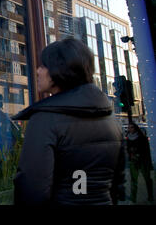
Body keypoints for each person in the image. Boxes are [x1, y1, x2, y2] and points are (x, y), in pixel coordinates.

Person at [12, 38, 126, 205]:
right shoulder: (112, 121)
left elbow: (32, 191)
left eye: (43, 66)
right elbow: (118, 185)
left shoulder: (45, 120)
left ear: (59, 70)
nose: (37, 71)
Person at [126, 122, 154, 203]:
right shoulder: (128, 138)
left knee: (147, 179)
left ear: (135, 128)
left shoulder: (142, 138)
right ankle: (133, 197)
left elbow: (147, 151)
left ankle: (150, 196)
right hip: (133, 162)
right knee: (133, 180)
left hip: (143, 161)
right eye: (129, 127)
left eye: (131, 127)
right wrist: (131, 154)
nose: (129, 129)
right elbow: (127, 149)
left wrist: (149, 163)